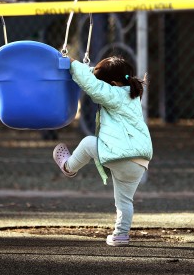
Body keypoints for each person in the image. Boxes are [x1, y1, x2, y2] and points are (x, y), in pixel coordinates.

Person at [52, 55, 153, 246]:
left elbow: (94, 87)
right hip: (139, 161)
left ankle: (69, 167)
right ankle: (120, 235)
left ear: (113, 83)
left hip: (120, 155)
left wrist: (73, 63)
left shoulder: (115, 94)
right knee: (124, 201)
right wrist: (86, 69)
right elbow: (95, 79)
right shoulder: (130, 94)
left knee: (89, 142)